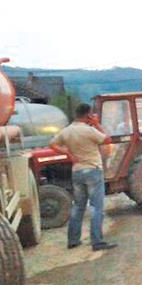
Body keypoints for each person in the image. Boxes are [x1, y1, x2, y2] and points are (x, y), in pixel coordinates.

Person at [50, 103, 117, 251]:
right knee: (96, 207)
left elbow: (52, 144)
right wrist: (97, 124)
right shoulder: (89, 130)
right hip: (93, 170)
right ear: (88, 115)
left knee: (78, 206)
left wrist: (68, 154)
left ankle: (73, 240)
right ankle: (97, 241)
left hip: (77, 171)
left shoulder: (67, 131)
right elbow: (107, 140)